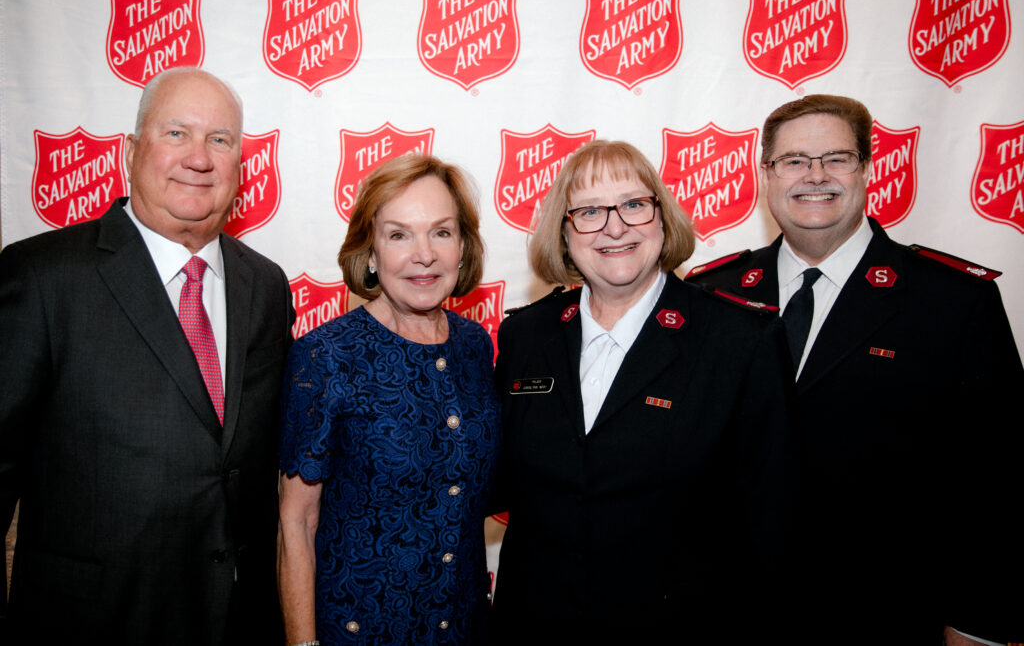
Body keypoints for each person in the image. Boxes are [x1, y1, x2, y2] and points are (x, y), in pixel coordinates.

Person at [687, 94, 1024, 645]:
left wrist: (975, 627)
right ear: (765, 175)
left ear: (867, 170)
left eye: (836, 158)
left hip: (888, 617)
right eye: (793, 160)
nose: (814, 176)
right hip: (730, 616)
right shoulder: (711, 296)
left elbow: (997, 479)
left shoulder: (952, 302)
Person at [0, 67, 294, 644]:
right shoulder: (41, 276)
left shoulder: (266, 286)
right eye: (177, 133)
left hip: (237, 622)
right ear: (131, 151)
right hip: (89, 622)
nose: (199, 158)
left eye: (220, 140)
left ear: (241, 165)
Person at [489, 140, 797, 644]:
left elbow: (773, 526)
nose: (614, 226)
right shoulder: (528, 335)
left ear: (662, 218)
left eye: (633, 204)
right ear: (564, 233)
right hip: (534, 625)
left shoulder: (740, 340)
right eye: (589, 211)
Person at [277, 154, 501, 645]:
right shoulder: (326, 355)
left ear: (463, 247)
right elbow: (296, 520)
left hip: (462, 625)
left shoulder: (474, 344)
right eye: (399, 234)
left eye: (441, 232)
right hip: (358, 630)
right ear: (371, 253)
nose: (424, 255)